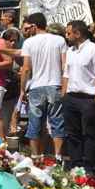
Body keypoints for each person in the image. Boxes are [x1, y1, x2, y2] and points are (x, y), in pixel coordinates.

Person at [60, 20, 95, 171]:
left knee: (89, 133)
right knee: (72, 133)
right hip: (71, 97)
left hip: (88, 98)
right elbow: (66, 73)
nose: (66, 36)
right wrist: (64, 95)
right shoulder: (70, 51)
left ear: (77, 33)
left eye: (68, 33)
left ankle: (89, 166)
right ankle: (76, 164)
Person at [19, 14, 66, 157]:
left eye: (29, 27)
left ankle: (35, 156)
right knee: (57, 122)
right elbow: (65, 66)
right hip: (55, 84)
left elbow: (26, 68)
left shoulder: (29, 42)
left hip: (36, 86)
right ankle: (57, 156)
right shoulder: (60, 40)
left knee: (35, 123)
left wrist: (22, 90)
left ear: (34, 26)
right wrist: (65, 87)